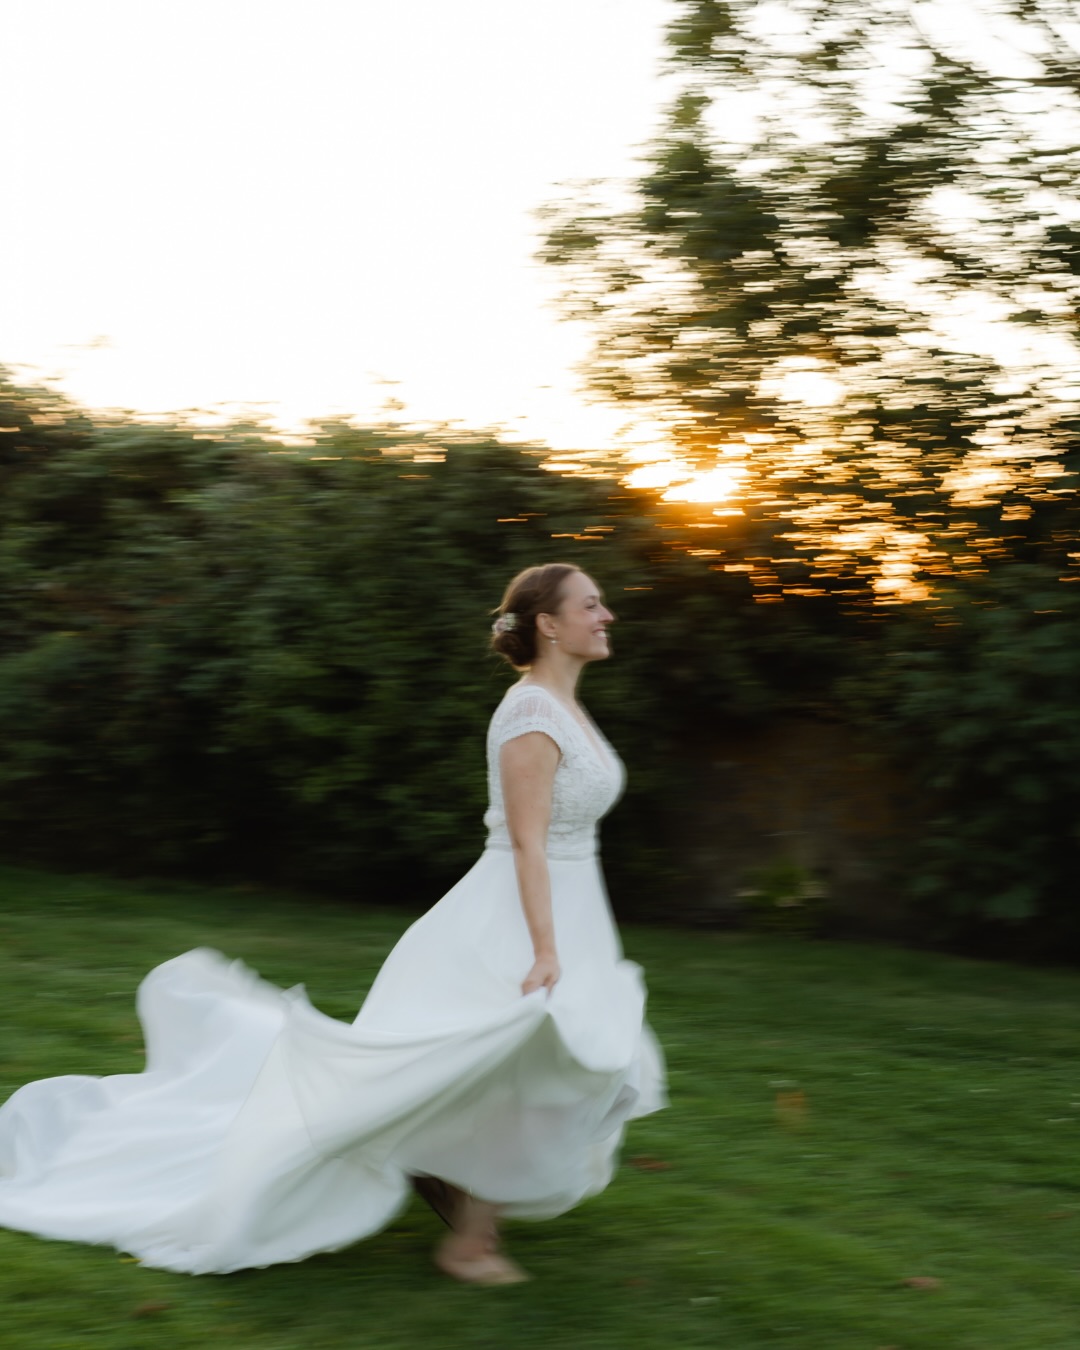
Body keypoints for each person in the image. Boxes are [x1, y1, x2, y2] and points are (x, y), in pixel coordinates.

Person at [0, 562, 666, 1285]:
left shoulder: (564, 706)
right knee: (533, 1059)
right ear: (548, 623)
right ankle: (469, 1238)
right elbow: (529, 840)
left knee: (555, 1064)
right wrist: (543, 948)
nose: (608, 616)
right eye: (592, 605)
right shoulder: (530, 713)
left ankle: (447, 1182)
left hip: (572, 907)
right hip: (515, 916)